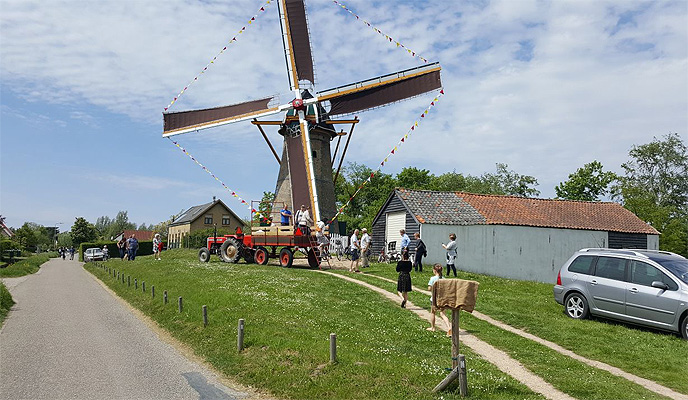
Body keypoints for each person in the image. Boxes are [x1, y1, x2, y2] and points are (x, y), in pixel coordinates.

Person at [427, 263, 451, 336]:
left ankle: (433, 327)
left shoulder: (433, 278)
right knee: (443, 314)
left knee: (433, 312)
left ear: (434, 270)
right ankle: (449, 327)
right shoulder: (444, 279)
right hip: (442, 299)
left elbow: (429, 288)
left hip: (434, 299)